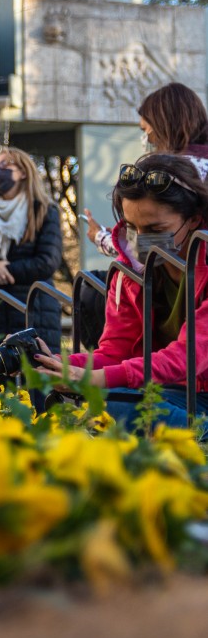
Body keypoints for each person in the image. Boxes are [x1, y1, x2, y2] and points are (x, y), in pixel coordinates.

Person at [36, 154, 208, 432]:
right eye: (132, 227)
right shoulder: (130, 274)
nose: (139, 240)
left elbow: (187, 357)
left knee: (109, 405)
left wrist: (97, 379)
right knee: (100, 404)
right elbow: (114, 352)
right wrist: (54, 363)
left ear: (193, 220)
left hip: (197, 395)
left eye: (155, 229)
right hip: (169, 394)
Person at [85, 83, 208, 259]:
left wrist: (101, 238)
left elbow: (147, 254)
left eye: (145, 130)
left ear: (162, 126)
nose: (145, 139)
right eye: (133, 227)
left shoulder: (178, 174)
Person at [0, 146, 64, 353]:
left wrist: (7, 268)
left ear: (23, 172)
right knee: (0, 381)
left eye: (5, 165)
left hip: (35, 309)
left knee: (35, 378)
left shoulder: (44, 210)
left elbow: (48, 261)